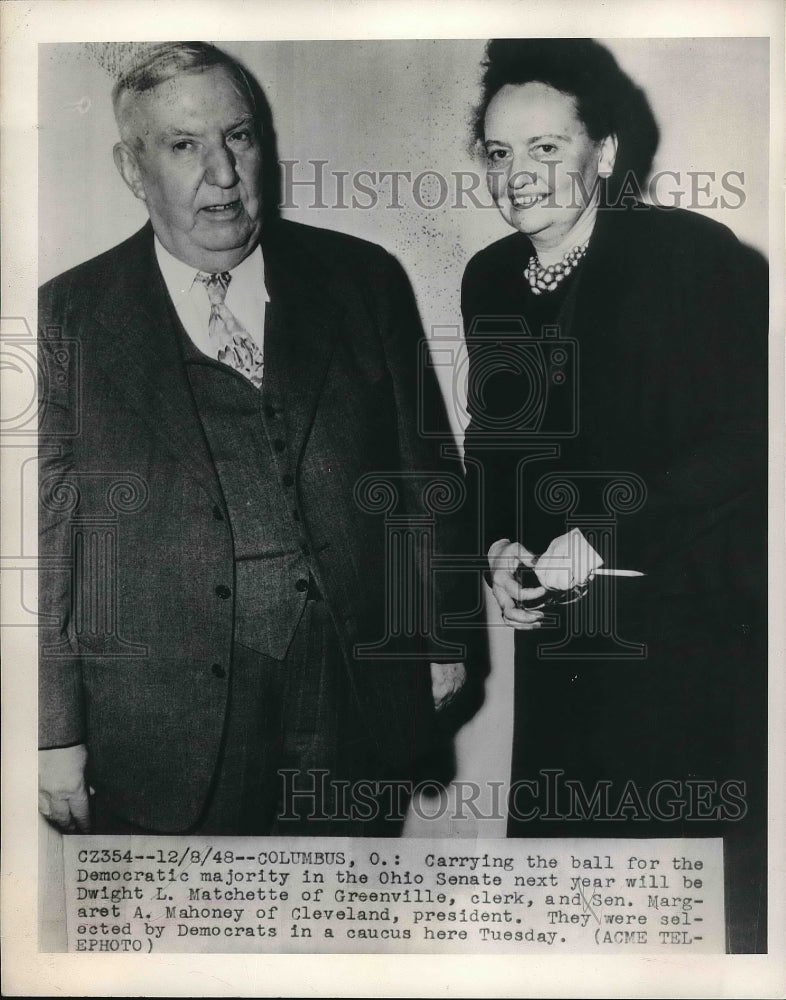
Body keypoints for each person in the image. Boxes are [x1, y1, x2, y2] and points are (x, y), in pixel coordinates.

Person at [37, 41, 467, 838]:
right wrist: (56, 729)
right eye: (183, 145)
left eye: (238, 136)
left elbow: (424, 471)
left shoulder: (363, 278)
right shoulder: (66, 316)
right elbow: (50, 535)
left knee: (343, 934)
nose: (224, 174)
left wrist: (442, 633)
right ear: (133, 168)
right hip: (164, 720)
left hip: (352, 690)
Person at [462, 38, 767, 952]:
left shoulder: (689, 257)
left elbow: (743, 441)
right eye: (499, 152)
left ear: (604, 153)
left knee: (689, 922)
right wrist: (502, 548)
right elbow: (498, 449)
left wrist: (601, 529)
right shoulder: (490, 280)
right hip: (567, 652)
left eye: (545, 148)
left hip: (694, 639)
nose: (518, 176)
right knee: (572, 912)